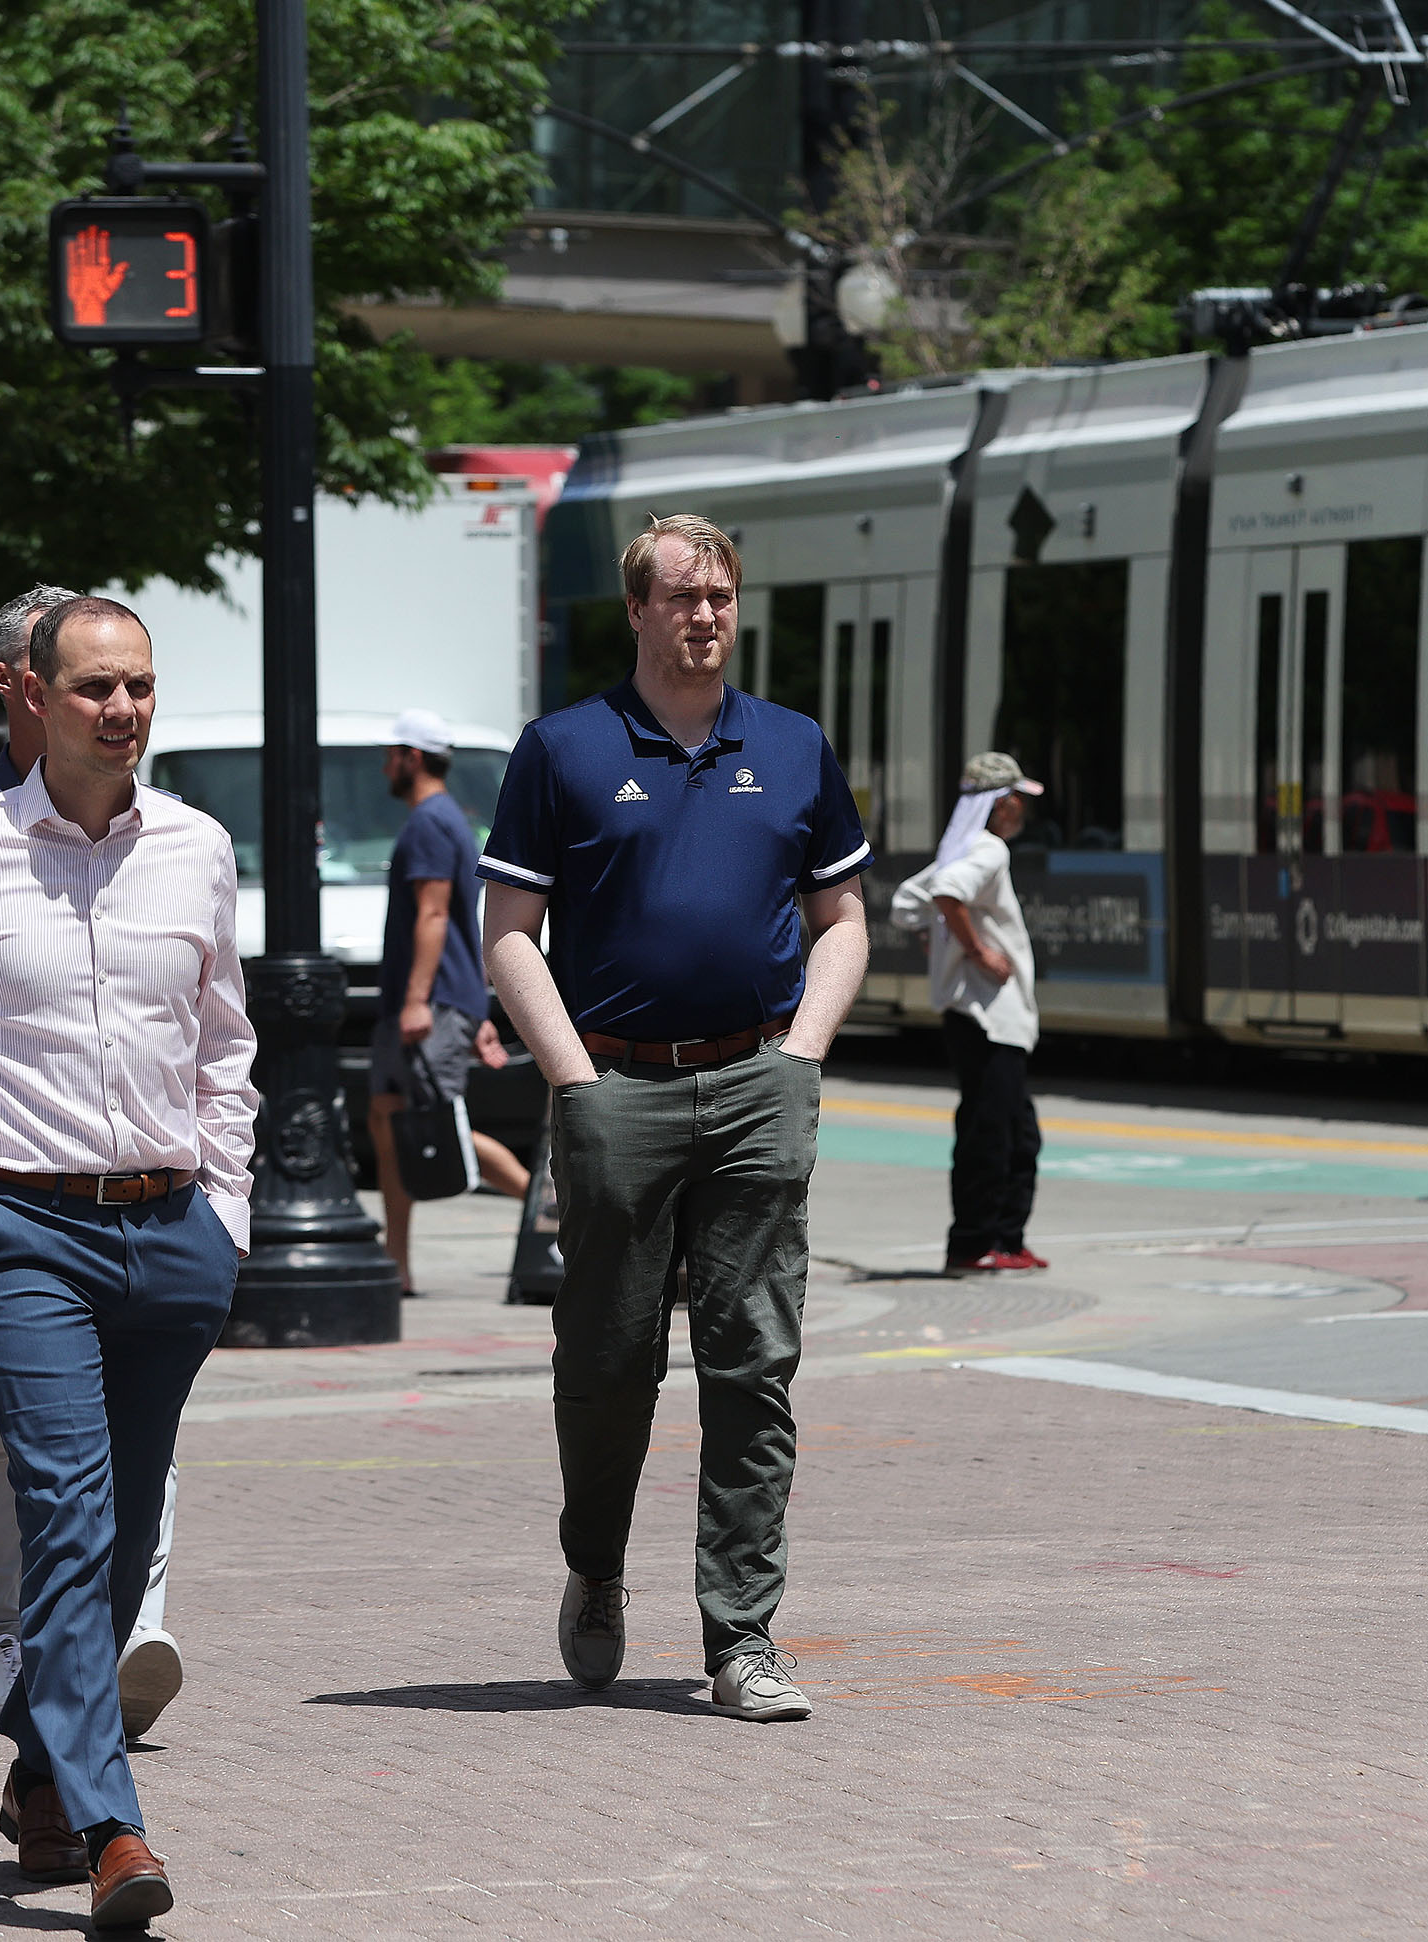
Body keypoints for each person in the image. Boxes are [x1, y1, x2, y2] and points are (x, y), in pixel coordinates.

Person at [0, 595, 254, 1928]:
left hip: (168, 1228)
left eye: (139, 685)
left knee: (126, 1537)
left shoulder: (198, 846)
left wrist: (228, 1212)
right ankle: (112, 1825)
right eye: (95, 687)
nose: (121, 708)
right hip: (19, 1230)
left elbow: (227, 1044)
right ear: (39, 697)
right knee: (69, 1520)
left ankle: (36, 1752)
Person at [480, 511, 870, 1722]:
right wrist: (575, 1082)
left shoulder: (794, 747)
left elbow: (844, 919)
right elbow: (509, 932)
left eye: (722, 597)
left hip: (760, 1081)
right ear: (638, 610)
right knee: (608, 1364)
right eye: (682, 597)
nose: (705, 615)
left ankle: (741, 1636)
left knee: (754, 1365)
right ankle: (595, 1565)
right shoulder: (566, 747)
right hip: (620, 1091)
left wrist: (801, 1055)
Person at [0, 593, 191, 1741]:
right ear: (16, 684)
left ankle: (133, 1624)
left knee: (137, 1418)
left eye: (129, 682)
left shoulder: (166, 829)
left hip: (136, 1189)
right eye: (71, 676)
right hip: (0, 1176)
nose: (106, 701)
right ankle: (9, 1635)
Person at [367, 707, 529, 1293]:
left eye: (390, 754)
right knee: (388, 1118)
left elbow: (435, 916)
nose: (384, 764)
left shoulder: (432, 822)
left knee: (437, 1123)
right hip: (431, 1002)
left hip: (426, 1005)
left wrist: (418, 1001)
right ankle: (399, 1261)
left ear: (411, 758)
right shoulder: (437, 819)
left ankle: (553, 1213)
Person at [899, 752, 1046, 1274]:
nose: (1022, 810)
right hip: (989, 1015)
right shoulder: (988, 851)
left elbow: (906, 902)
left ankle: (1002, 1239)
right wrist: (978, 952)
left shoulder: (962, 849)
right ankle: (975, 1244)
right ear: (1000, 804)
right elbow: (943, 894)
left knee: (1014, 1131)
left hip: (976, 1015)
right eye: (1018, 800)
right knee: (993, 1133)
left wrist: (938, 942)